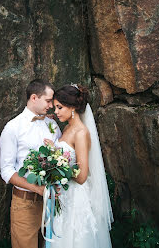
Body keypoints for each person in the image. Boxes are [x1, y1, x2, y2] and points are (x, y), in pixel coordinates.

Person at [44, 84, 114, 248]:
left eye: (59, 107)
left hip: (75, 198)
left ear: (73, 107)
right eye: (55, 107)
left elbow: (82, 176)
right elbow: (67, 156)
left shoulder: (81, 133)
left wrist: (57, 163)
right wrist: (54, 153)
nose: (56, 112)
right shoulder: (68, 127)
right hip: (64, 195)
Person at [0, 79, 62, 248]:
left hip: (53, 205)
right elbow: (6, 170)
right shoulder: (13, 128)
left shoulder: (53, 125)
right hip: (25, 204)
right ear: (34, 98)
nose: (51, 106)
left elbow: (62, 157)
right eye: (48, 101)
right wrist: (36, 189)